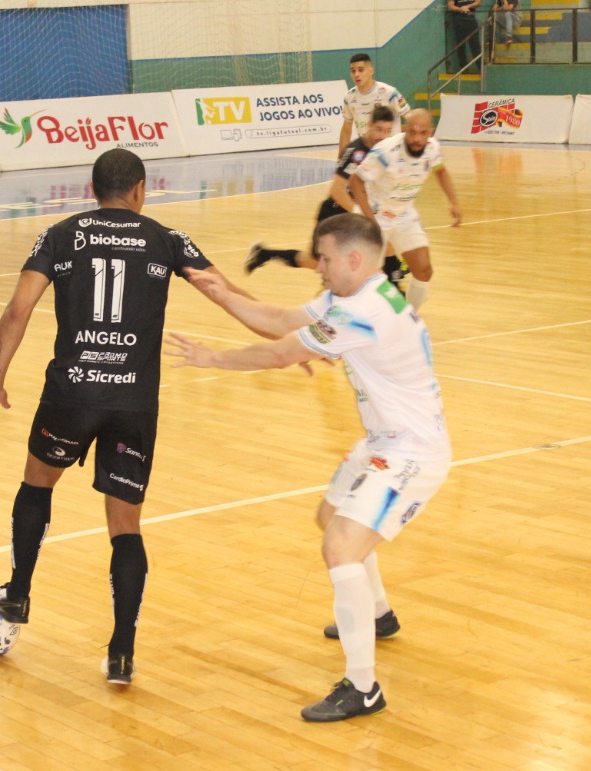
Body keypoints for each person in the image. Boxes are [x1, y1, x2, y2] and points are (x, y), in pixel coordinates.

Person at [167, 213, 451, 722]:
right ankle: (378, 615)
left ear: (354, 259)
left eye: (323, 258)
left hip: (412, 452)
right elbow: (282, 319)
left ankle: (363, 688)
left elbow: (281, 352)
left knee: (340, 546)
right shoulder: (358, 295)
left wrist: (214, 360)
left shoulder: (362, 312)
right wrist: (223, 295)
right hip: (382, 441)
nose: (317, 266)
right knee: (331, 516)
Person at [0, 149, 239, 686]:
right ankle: (121, 653)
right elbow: (223, 292)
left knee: (37, 484)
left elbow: (18, 309)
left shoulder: (59, 234)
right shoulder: (167, 238)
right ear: (140, 189)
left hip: (71, 394)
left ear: (92, 189)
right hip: (133, 402)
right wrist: (290, 338)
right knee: (125, 528)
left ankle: (19, 592)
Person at [246, 105, 397, 278]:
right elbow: (336, 190)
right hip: (336, 213)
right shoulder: (356, 152)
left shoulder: (386, 150)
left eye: (388, 131)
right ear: (369, 126)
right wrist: (361, 214)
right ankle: (265, 254)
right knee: (321, 263)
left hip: (360, 214)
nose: (383, 136)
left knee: (382, 250)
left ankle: (394, 280)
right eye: (379, 129)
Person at [348, 109, 462, 311]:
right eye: (412, 132)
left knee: (424, 270)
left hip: (404, 213)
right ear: (404, 130)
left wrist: (454, 202)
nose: (416, 138)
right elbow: (355, 182)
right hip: (375, 214)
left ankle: (408, 319)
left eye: (423, 133)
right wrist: (371, 221)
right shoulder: (386, 151)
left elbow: (441, 171)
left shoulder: (432, 148)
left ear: (430, 133)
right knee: (367, 279)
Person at [335, 54, 409, 158]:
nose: (356, 74)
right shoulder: (349, 97)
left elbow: (410, 117)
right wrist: (341, 158)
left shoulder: (389, 92)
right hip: (367, 154)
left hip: (392, 153)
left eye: (360, 70)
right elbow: (346, 130)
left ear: (371, 71)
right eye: (353, 71)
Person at [447, 0, 483, 72]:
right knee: (460, 46)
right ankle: (464, 70)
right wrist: (460, 9)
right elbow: (450, 6)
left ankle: (481, 69)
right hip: (458, 20)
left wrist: (467, 6)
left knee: (475, 46)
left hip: (471, 19)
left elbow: (478, 2)